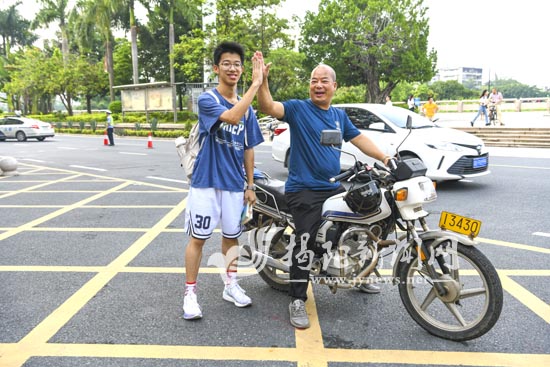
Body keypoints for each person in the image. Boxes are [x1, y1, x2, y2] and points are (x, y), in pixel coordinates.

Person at [256, 54, 393, 329]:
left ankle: (361, 273)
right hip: (303, 190)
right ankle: (297, 298)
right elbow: (268, 106)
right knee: (305, 240)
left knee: (368, 218)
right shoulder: (298, 109)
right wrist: (261, 81)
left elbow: (360, 139)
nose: (318, 85)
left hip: (333, 186)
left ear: (334, 86)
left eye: (324, 81)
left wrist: (385, 158)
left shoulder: (338, 116)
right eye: (313, 81)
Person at [182, 42, 264, 320]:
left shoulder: (249, 110)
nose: (233, 68)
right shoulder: (208, 100)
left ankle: (230, 285)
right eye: (227, 63)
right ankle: (190, 294)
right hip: (205, 183)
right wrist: (255, 86)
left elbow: (249, 146)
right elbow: (231, 116)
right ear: (216, 69)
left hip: (233, 185)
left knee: (232, 238)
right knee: (198, 239)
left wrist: (250, 185)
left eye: (237, 64)